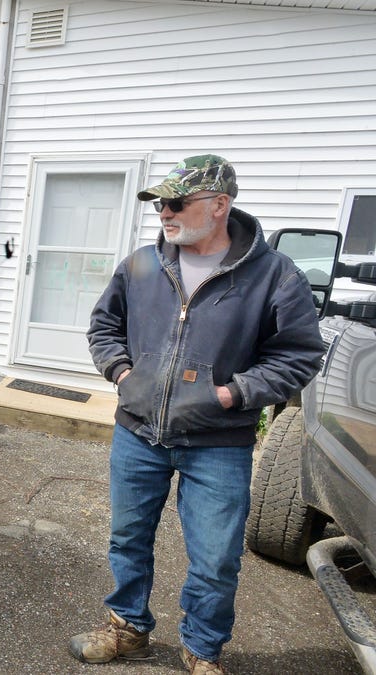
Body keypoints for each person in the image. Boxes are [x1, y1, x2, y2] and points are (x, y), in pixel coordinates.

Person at [73, 155, 326, 674]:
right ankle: (128, 628)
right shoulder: (143, 264)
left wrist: (231, 395)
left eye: (176, 202)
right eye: (159, 204)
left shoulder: (275, 276)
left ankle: (203, 650)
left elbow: (299, 355)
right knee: (128, 539)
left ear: (219, 205)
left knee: (216, 558)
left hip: (219, 442)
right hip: (139, 434)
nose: (164, 213)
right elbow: (104, 326)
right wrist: (123, 373)